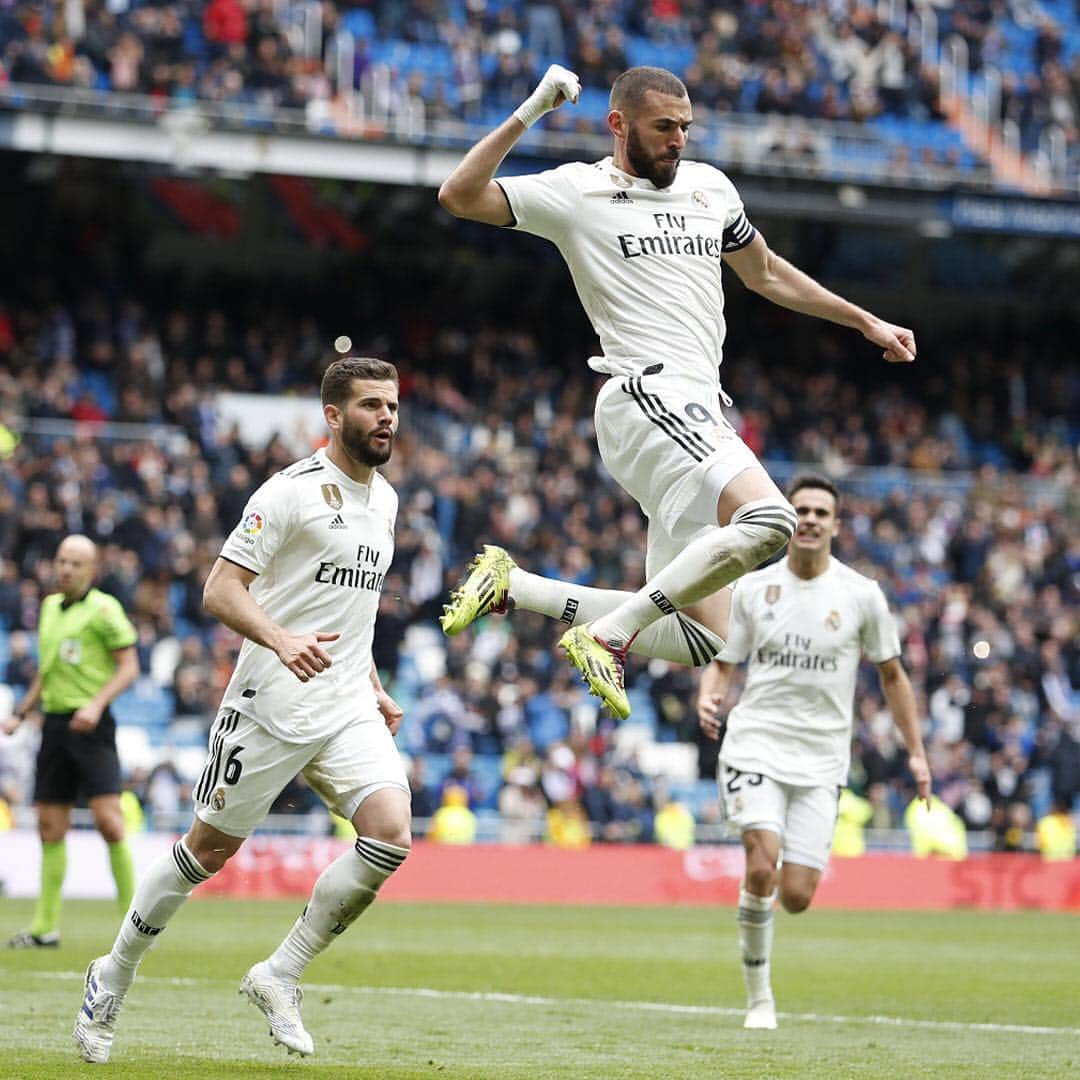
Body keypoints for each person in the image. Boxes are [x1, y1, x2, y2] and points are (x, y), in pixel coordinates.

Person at [437, 64, 916, 721]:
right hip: (648, 395)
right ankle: (607, 635)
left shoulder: (709, 190)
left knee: (705, 638)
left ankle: (516, 587)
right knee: (772, 520)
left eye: (685, 127)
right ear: (618, 125)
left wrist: (864, 320)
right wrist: (534, 109)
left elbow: (768, 274)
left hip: (696, 408)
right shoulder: (578, 192)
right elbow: (460, 196)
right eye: (663, 127)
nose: (678, 140)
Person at [72, 357, 412, 1064]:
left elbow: (354, 613)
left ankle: (278, 974)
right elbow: (220, 591)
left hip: (346, 702)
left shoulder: (385, 500)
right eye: (372, 405)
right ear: (332, 415)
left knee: (390, 836)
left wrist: (373, 682)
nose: (386, 417)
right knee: (209, 851)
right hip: (269, 704)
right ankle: (113, 973)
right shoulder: (287, 493)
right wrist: (282, 639)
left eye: (392, 405)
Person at [696, 475, 931, 1031]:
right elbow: (726, 661)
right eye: (800, 509)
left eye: (820, 512)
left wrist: (916, 753)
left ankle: (762, 907)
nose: (809, 519)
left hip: (823, 759)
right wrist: (711, 695)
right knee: (761, 863)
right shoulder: (755, 589)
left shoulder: (860, 595)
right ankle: (760, 1001)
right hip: (756, 743)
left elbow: (893, 676)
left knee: (797, 894)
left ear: (836, 524)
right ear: (788, 518)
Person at [3, 534, 139, 949]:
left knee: (109, 822)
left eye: (75, 563)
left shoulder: (104, 610)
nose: (65, 569)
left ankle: (134, 927)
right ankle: (45, 928)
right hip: (55, 728)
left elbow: (129, 667)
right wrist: (23, 711)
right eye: (61, 561)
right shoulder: (47, 609)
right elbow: (48, 670)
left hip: (92, 727)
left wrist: (96, 705)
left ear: (91, 570)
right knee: (49, 827)